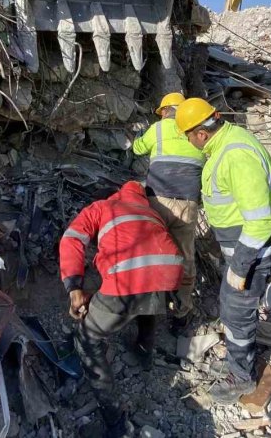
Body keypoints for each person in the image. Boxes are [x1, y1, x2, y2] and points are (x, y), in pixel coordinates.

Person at [174, 98, 271, 404]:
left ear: (201, 134)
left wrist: (240, 267)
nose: (189, 143)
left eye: (188, 137)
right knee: (229, 302)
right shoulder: (228, 141)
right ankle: (236, 358)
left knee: (237, 310)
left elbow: (258, 223)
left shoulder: (236, 156)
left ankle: (241, 377)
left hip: (258, 250)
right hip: (248, 248)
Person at [59, 181, 184, 436]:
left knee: (87, 339)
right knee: (146, 298)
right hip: (168, 272)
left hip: (128, 277)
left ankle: (116, 423)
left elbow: (72, 239)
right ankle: (144, 353)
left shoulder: (102, 206)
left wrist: (74, 287)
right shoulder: (149, 209)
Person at [132, 92, 206, 329]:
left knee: (150, 251)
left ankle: (150, 305)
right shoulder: (196, 132)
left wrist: (137, 138)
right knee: (186, 256)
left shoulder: (158, 129)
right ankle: (182, 311)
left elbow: (137, 149)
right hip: (188, 204)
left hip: (157, 204)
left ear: (165, 111)